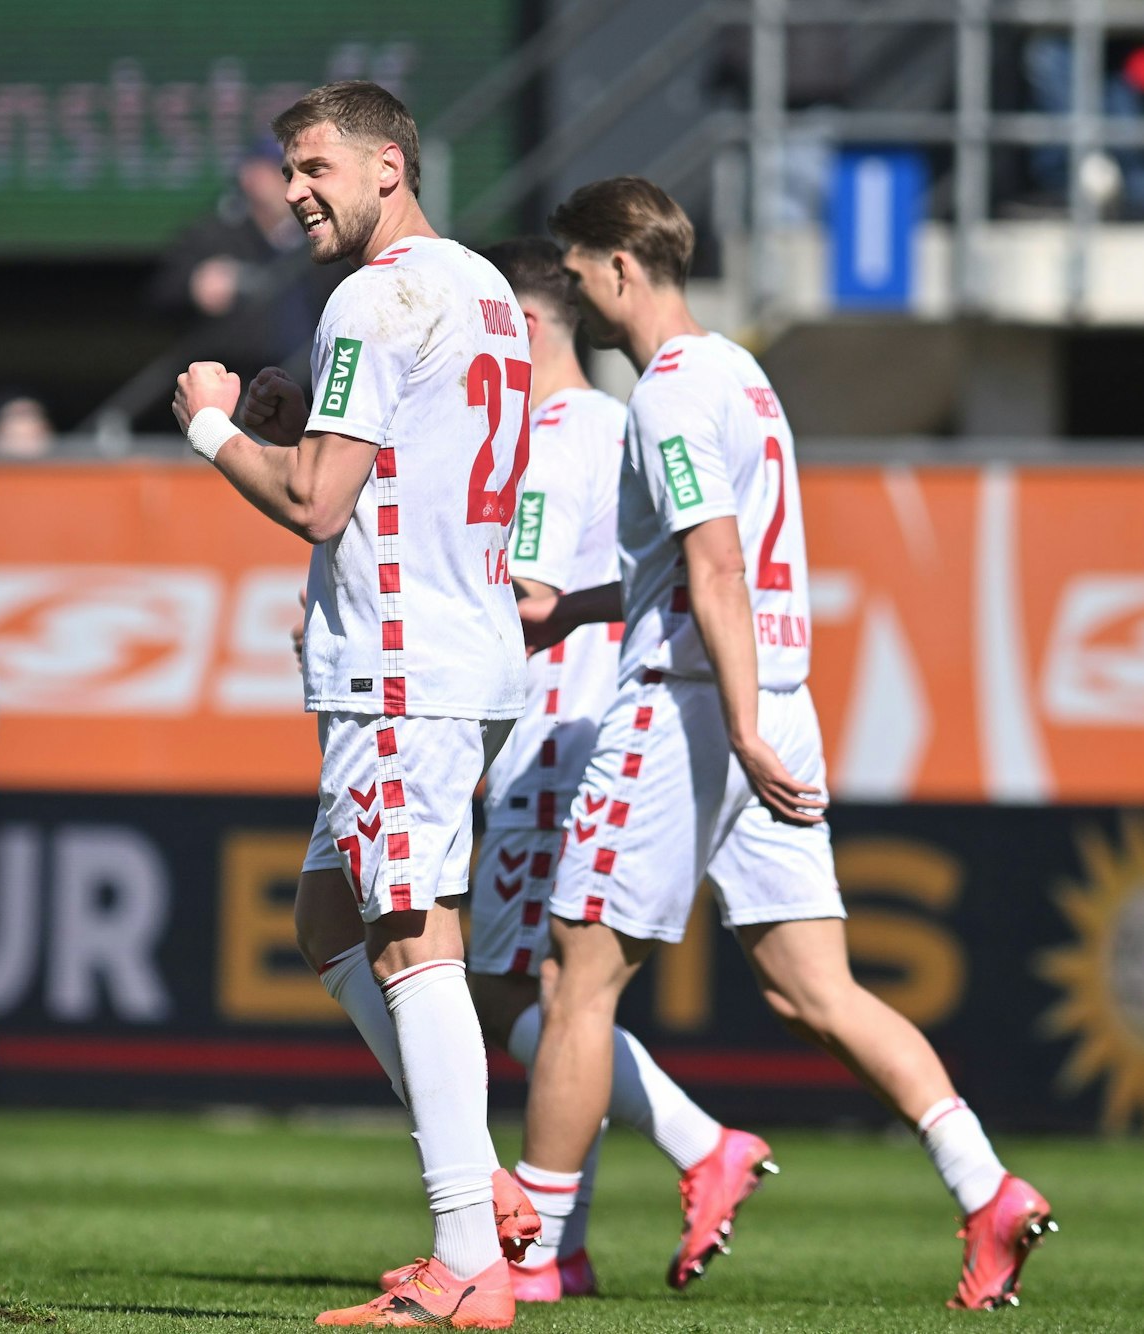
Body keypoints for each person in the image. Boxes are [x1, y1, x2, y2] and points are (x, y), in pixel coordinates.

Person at [529, 175, 1053, 1311]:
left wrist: (737, 726)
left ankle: (534, 1254)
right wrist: (577, 611)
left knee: (574, 978)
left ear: (619, 265)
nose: (572, 295)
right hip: (774, 695)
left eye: (575, 273)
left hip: (694, 708)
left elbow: (714, 563)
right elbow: (695, 567)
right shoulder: (743, 376)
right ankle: (985, 1185)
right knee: (816, 989)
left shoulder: (668, 393)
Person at [174, 81, 534, 1329]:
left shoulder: (370, 295)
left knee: (404, 934)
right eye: (287, 170)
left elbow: (316, 501)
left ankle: (465, 1255)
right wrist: (300, 418)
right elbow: (404, 448)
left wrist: (213, 429)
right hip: (464, 646)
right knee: (327, 914)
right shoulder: (482, 287)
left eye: (314, 166)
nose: (293, 191)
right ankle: (476, 1175)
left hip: (400, 661)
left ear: (390, 166)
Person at [453, 237, 765, 1300]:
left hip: (549, 737)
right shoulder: (616, 421)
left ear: (526, 325)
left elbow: (529, 597)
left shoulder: (547, 437)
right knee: (558, 993)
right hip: (597, 723)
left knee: (510, 993)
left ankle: (697, 1142)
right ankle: (565, 1245)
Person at [149, 139, 343, 387]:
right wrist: (194, 285)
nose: (291, 183)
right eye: (281, 172)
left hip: (315, 383)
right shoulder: (215, 235)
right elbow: (160, 295)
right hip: (240, 383)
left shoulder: (325, 236)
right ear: (250, 176)